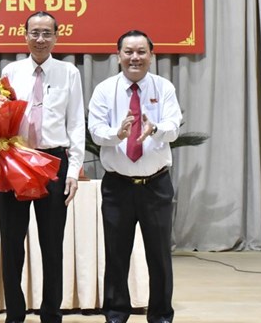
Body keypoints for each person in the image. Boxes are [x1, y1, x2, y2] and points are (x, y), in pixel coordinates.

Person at [0, 11, 85, 323]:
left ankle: (51, 313)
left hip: (53, 163)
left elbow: (76, 123)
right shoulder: (11, 71)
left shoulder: (69, 73)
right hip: (15, 159)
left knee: (52, 244)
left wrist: (74, 171)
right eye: (34, 33)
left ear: (56, 37)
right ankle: (15, 313)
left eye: (46, 33)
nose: (40, 39)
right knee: (12, 243)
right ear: (24, 35)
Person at [87, 30, 181, 323]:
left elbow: (174, 125)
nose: (134, 58)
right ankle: (116, 315)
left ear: (151, 56)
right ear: (118, 56)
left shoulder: (164, 88)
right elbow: (95, 130)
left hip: (156, 185)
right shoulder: (104, 89)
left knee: (160, 257)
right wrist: (117, 135)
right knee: (116, 256)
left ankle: (162, 316)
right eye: (128, 52)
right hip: (118, 186)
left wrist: (155, 129)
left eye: (141, 52)